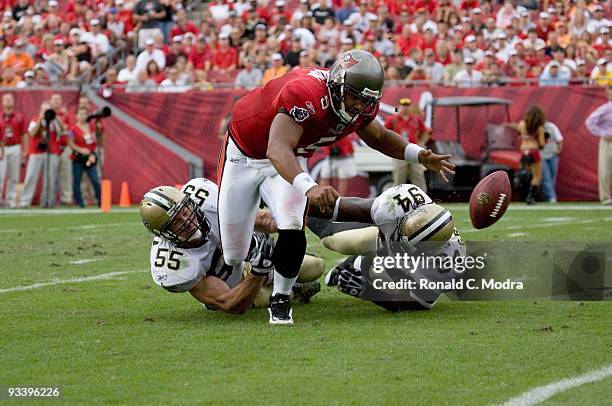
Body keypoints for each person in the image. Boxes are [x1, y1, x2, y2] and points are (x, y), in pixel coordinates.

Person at [217, 50, 454, 324]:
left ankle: (280, 300)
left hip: (291, 157)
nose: (359, 106)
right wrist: (309, 187)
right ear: (336, 84)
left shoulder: (360, 106)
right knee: (233, 254)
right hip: (245, 154)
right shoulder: (304, 93)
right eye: (355, 97)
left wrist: (418, 154)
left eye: (367, 101)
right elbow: (276, 148)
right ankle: (258, 252)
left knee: (293, 224)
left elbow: (378, 136)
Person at [139, 179, 323, 312]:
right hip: (233, 285)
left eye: (184, 211)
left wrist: (292, 220)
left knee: (316, 267)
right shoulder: (174, 263)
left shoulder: (206, 200)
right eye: (175, 222)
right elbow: (229, 303)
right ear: (164, 234)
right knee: (263, 298)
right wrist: (258, 271)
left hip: (250, 255)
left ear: (190, 202)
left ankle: (279, 276)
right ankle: (294, 291)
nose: (186, 221)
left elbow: (264, 220)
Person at [308, 184, 466, 311]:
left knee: (378, 275)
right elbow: (347, 209)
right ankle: (354, 261)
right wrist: (300, 207)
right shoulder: (404, 202)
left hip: (403, 268)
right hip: (382, 234)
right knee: (332, 237)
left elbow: (417, 303)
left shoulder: (448, 265)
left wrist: (369, 291)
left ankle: (360, 264)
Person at [20, 102, 65, 208]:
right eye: (44, 110)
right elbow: (32, 133)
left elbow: (63, 131)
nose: (46, 113)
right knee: (31, 176)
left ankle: (48, 201)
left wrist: (56, 117)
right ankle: (25, 201)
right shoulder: (35, 120)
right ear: (40, 111)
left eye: (48, 110)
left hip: (51, 152)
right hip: (36, 152)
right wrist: (41, 119)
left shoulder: (54, 122)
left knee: (50, 178)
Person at [384, 98, 430, 191]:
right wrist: (390, 145)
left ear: (410, 107)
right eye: (403, 105)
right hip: (399, 151)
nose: (405, 108)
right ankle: (398, 199)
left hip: (414, 151)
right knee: (399, 177)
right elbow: (384, 133)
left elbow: (425, 131)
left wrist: (421, 143)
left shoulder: (416, 119)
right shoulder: (393, 119)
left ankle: (422, 199)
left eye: (407, 105)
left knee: (418, 176)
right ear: (400, 106)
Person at [67, 107, 101, 208]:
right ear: (76, 116)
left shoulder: (91, 127)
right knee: (77, 181)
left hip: (89, 158)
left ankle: (100, 200)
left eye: (84, 114)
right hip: (78, 158)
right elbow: (70, 143)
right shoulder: (72, 129)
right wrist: (80, 150)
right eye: (80, 114)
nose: (82, 116)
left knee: (95, 179)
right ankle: (80, 202)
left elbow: (94, 140)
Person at [513, 106, 547, 204]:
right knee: (537, 176)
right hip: (534, 151)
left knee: (526, 173)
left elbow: (518, 132)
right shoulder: (539, 127)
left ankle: (519, 179)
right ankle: (530, 197)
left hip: (524, 151)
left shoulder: (521, 124)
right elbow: (542, 144)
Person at [585, 85, 612, 205]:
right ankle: (606, 197)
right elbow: (590, 121)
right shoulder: (605, 108)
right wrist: (602, 133)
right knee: (605, 169)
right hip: (608, 141)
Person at [0, 93, 27, 208]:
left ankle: (10, 200)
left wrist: (24, 151)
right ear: (2, 102)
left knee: (14, 176)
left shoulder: (19, 116)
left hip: (15, 146)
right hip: (1, 147)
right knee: (0, 175)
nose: (8, 101)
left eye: (10, 99)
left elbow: (24, 134)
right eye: (6, 99)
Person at [540, 121, 564, 202]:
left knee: (552, 177)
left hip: (552, 154)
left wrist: (559, 149)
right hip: (541, 156)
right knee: (546, 178)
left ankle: (549, 196)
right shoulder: (536, 128)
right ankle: (552, 198)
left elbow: (559, 139)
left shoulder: (552, 127)